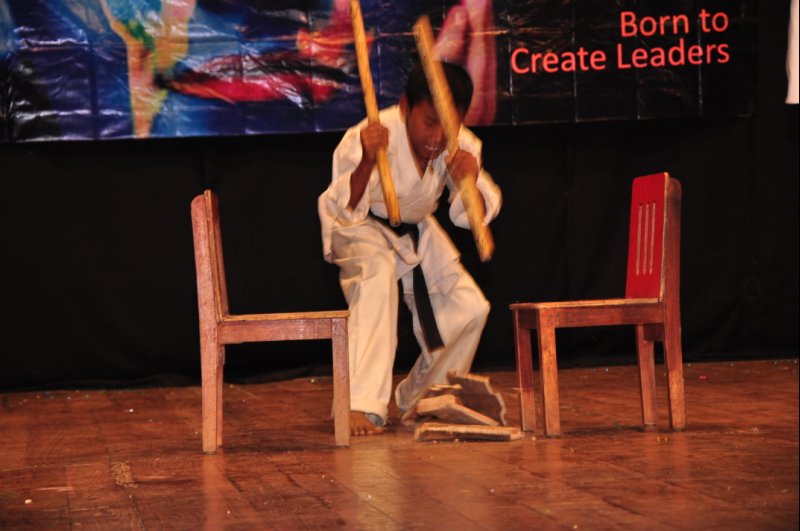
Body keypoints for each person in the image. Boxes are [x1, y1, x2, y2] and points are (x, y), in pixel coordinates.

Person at [317, 61, 502, 436]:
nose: (438, 136)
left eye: (448, 125)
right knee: (377, 274)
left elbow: (473, 217)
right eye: (429, 122)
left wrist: (469, 180)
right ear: (405, 107)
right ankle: (358, 403)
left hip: (416, 230)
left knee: (470, 309)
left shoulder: (463, 145)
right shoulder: (372, 133)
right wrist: (368, 160)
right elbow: (344, 207)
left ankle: (425, 397)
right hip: (360, 226)